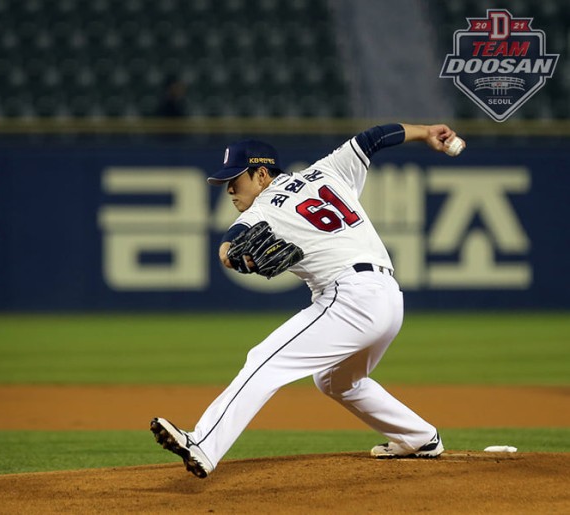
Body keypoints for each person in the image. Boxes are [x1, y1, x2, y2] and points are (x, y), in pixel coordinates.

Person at [151, 123, 465, 478]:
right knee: (335, 381)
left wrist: (230, 257)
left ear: (262, 174)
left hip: (351, 299)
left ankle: (204, 444)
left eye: (235, 179)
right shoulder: (327, 171)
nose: (230, 189)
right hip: (389, 298)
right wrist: (425, 133)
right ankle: (419, 437)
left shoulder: (263, 208)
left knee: (263, 360)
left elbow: (229, 244)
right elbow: (374, 138)